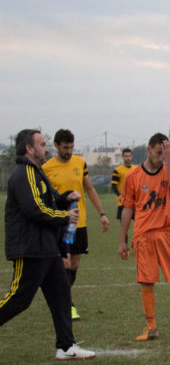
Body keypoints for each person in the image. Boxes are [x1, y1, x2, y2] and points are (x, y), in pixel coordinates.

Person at [0, 129, 95, 360]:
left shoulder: (37, 173)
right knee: (19, 299)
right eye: (42, 144)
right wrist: (65, 217)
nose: (46, 148)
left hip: (46, 248)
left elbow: (50, 199)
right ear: (29, 149)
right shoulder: (25, 175)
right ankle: (66, 345)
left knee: (61, 292)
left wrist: (66, 197)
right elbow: (35, 209)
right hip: (30, 249)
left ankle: (66, 346)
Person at [118, 133, 170, 341]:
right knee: (147, 282)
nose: (160, 158)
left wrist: (169, 162)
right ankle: (151, 327)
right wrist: (122, 240)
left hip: (167, 233)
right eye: (157, 153)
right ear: (148, 149)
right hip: (143, 235)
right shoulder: (133, 177)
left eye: (164, 154)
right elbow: (127, 209)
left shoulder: (169, 170)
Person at [42, 129, 110, 320]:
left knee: (74, 265)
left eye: (71, 147)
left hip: (79, 223)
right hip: (60, 222)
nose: (69, 151)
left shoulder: (80, 163)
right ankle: (68, 304)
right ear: (56, 146)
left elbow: (89, 188)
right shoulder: (47, 168)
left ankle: (61, 298)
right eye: (65, 147)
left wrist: (102, 213)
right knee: (65, 261)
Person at [111, 148, 136, 220]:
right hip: (123, 201)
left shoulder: (136, 169)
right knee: (124, 225)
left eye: (129, 156)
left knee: (138, 224)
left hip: (135, 200)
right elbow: (113, 185)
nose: (128, 158)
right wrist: (119, 195)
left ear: (132, 156)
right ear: (122, 157)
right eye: (126, 156)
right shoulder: (117, 170)